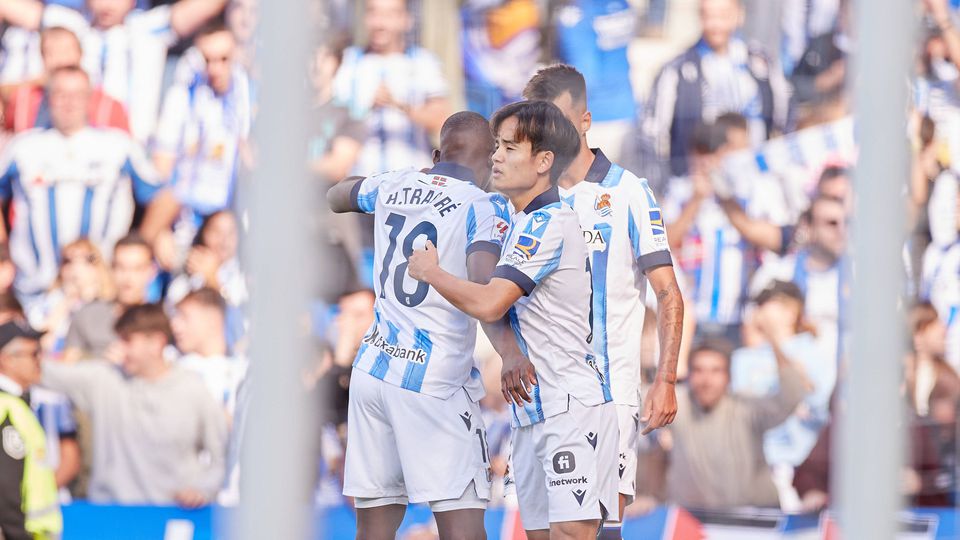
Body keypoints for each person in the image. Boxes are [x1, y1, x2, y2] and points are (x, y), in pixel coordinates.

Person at [407, 101, 620, 540]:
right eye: (495, 147)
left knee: (571, 535)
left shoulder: (549, 224)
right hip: (529, 410)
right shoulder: (517, 219)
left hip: (571, 408)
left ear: (543, 161)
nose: (495, 157)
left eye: (508, 148)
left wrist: (431, 273)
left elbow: (490, 303)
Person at [326, 111, 514, 540]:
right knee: (463, 526)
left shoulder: (395, 182)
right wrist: (511, 353)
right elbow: (484, 287)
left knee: (374, 528)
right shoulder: (483, 204)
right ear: (491, 160)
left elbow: (337, 194)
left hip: (373, 370)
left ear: (436, 154)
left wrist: (411, 182)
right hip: (433, 381)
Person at [522, 64, 682, 538]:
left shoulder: (628, 191)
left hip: (607, 399)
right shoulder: (527, 195)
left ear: (586, 121)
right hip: (539, 400)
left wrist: (666, 379)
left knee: (593, 529)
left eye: (559, 121)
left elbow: (668, 293)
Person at [0, 66, 168, 300]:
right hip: (34, 289)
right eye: (60, 94)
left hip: (101, 291)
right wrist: (3, 250)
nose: (69, 103)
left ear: (90, 99)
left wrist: (139, 249)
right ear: (48, 97)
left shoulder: (117, 145)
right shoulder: (23, 147)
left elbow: (164, 197)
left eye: (77, 95)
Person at [42, 303, 227, 505]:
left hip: (171, 517)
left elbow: (221, 455)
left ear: (156, 342)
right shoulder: (105, 380)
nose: (118, 348)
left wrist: (202, 490)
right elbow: (42, 372)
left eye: (127, 340)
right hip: (112, 518)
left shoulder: (193, 389)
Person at [0, 0, 229, 143]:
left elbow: (204, 6)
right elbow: (18, 8)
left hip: (136, 145)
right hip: (76, 144)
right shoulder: (71, 23)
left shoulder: (149, 27)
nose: (106, 4)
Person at [664, 115, 791, 343]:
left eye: (713, 151)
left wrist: (725, 198)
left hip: (740, 317)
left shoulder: (752, 191)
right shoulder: (679, 191)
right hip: (691, 315)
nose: (706, 160)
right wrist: (695, 202)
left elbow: (774, 239)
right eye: (700, 151)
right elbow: (661, 244)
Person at [644, 0, 789, 177]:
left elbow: (784, 116)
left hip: (756, 173)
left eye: (722, 15)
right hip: (700, 181)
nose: (715, 24)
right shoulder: (678, 70)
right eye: (708, 16)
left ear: (739, 15)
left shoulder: (762, 63)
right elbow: (653, 133)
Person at [152, 22, 253, 266]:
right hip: (187, 218)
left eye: (223, 59)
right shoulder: (182, 97)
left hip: (234, 218)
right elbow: (162, 169)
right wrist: (160, 230)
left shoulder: (250, 97)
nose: (215, 68)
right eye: (208, 60)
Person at [665, 338, 808, 509]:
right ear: (689, 374)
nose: (706, 380)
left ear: (729, 377)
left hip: (753, 519)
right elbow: (634, 406)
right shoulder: (676, 404)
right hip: (694, 521)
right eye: (698, 370)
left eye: (716, 371)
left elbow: (791, 397)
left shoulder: (745, 406)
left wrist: (773, 340)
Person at [730, 281, 834, 511]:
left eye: (769, 304)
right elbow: (741, 411)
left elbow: (820, 409)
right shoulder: (744, 359)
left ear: (792, 310)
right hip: (753, 469)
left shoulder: (817, 354)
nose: (761, 312)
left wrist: (779, 347)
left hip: (798, 471)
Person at [332, 0, 452, 177]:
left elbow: (443, 121)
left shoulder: (423, 62)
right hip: (360, 182)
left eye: (389, 15)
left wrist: (399, 105)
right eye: (374, 13)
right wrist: (364, 107)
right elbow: (330, 119)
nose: (380, 23)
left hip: (412, 181)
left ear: (406, 19)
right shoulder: (348, 61)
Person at [751, 195, 850, 360]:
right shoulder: (776, 272)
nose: (841, 231)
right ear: (808, 227)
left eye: (847, 223)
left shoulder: (859, 276)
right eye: (831, 223)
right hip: (791, 376)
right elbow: (755, 333)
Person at [552, 1, 637, 162]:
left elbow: (583, 78)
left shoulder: (575, 14)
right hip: (627, 116)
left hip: (592, 125)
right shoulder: (622, 5)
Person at [3, 25, 128, 134]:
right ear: (42, 58)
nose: (60, 60)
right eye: (51, 52)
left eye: (66, 51)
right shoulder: (23, 101)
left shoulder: (107, 106)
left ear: (80, 54)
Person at [0, 321, 61, 539]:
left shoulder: (18, 405)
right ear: (6, 359)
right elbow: (6, 486)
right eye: (33, 354)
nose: (40, 361)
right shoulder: (6, 408)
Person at [64, 233, 155, 362]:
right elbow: (68, 368)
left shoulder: (162, 322)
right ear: (111, 268)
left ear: (151, 271)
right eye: (121, 268)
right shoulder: (87, 316)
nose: (128, 278)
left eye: (137, 269)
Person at [25, 239, 114, 356]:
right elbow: (41, 343)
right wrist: (66, 302)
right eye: (67, 261)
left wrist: (90, 300)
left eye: (88, 259)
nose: (76, 267)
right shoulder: (47, 302)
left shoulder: (112, 304)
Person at [171, 287, 246, 420]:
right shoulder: (174, 369)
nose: (175, 325)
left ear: (212, 319)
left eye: (184, 316)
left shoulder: (242, 372)